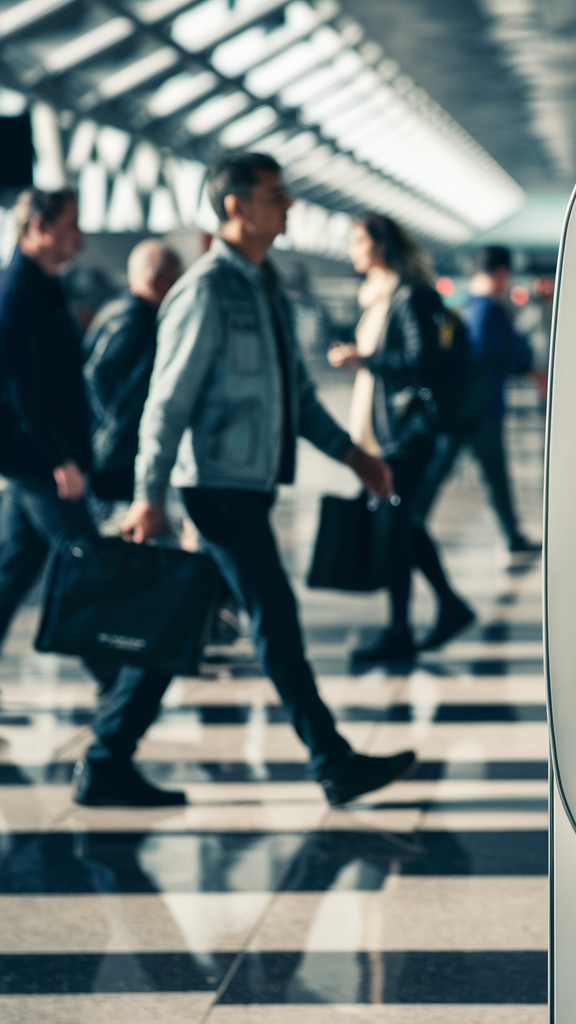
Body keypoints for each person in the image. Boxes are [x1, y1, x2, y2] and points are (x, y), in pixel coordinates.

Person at [117, 152, 415, 807]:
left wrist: (354, 456)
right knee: (274, 618)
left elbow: (299, 397)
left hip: (247, 486)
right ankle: (332, 760)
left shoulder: (266, 284)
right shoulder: (206, 291)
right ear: (235, 207)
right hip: (217, 489)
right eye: (275, 196)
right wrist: (149, 495)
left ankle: (107, 752)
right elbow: (166, 405)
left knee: (185, 619)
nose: (287, 208)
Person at [0, 188, 180, 806]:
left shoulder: (43, 284)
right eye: (71, 226)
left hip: (37, 463)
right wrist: (60, 459)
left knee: (13, 574)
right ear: (40, 227)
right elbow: (20, 384)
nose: (80, 236)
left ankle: (112, 706)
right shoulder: (18, 288)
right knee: (90, 572)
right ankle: (115, 710)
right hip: (41, 465)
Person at [328, 213, 474, 661]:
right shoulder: (379, 298)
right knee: (402, 524)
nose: (352, 250)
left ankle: (401, 631)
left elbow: (420, 361)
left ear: (382, 246)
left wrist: (364, 360)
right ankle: (446, 607)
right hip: (389, 433)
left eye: (358, 241)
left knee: (396, 526)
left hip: (408, 434)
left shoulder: (409, 297)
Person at [413, 245, 540, 560]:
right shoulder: (490, 309)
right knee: (492, 473)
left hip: (457, 408)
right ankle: (409, 525)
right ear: (501, 273)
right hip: (483, 409)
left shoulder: (462, 305)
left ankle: (410, 523)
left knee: (441, 471)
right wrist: (530, 369)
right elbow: (500, 353)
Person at [82, 239, 183, 505]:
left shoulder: (118, 309)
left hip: (112, 449)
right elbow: (97, 374)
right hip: (116, 453)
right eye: (176, 280)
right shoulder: (134, 319)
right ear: (156, 280)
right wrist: (114, 422)